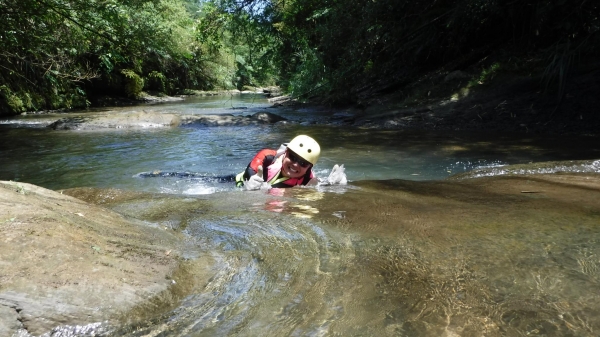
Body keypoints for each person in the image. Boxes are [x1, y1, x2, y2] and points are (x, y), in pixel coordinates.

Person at [236, 135, 320, 189]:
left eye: (303, 163)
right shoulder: (267, 157)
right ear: (286, 152)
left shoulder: (309, 180)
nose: (295, 164)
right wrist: (248, 184)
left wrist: (332, 185)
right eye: (293, 157)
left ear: (310, 167)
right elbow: (248, 173)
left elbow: (321, 187)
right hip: (235, 183)